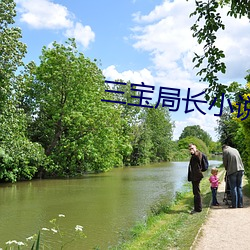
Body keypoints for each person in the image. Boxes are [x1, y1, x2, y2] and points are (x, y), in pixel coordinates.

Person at [188, 143, 204, 214]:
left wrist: (194, 152)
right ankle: (197, 208)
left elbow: (198, 158)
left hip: (196, 176)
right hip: (195, 176)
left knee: (196, 192)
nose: (191, 150)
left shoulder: (198, 154)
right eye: (190, 149)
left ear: (195, 148)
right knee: (196, 192)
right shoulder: (194, 155)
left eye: (192, 148)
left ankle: (198, 209)